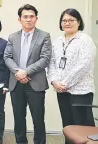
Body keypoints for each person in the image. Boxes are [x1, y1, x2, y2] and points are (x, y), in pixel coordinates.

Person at [4, 4, 52, 144]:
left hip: (35, 83)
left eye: (32, 16)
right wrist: (18, 72)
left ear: (36, 18)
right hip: (16, 83)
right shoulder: (13, 37)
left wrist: (26, 72)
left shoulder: (44, 36)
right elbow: (7, 57)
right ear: (19, 19)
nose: (28, 19)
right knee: (19, 118)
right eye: (25, 17)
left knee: (38, 119)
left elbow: (45, 59)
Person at [48, 9, 96, 143]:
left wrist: (65, 83)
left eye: (71, 20)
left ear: (78, 22)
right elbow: (51, 63)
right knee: (68, 125)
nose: (67, 23)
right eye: (64, 20)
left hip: (80, 91)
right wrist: (53, 81)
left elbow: (83, 65)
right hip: (61, 90)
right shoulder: (57, 41)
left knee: (82, 127)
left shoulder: (85, 40)